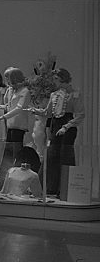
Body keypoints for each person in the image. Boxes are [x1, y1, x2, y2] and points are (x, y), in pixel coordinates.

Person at [45, 68, 85, 198]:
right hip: (55, 126)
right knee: (52, 156)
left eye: (56, 79)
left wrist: (66, 126)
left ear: (63, 79)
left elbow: (80, 114)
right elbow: (48, 112)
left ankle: (65, 189)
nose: (54, 81)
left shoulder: (74, 94)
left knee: (65, 157)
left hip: (67, 127)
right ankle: (51, 188)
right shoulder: (54, 95)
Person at [0, 67, 31, 189]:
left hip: (19, 125)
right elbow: (8, 105)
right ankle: (2, 178)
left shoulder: (25, 91)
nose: (6, 80)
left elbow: (19, 108)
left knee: (16, 153)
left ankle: (15, 180)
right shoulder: (11, 90)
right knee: (7, 153)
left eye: (8, 78)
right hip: (10, 124)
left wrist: (1, 117)